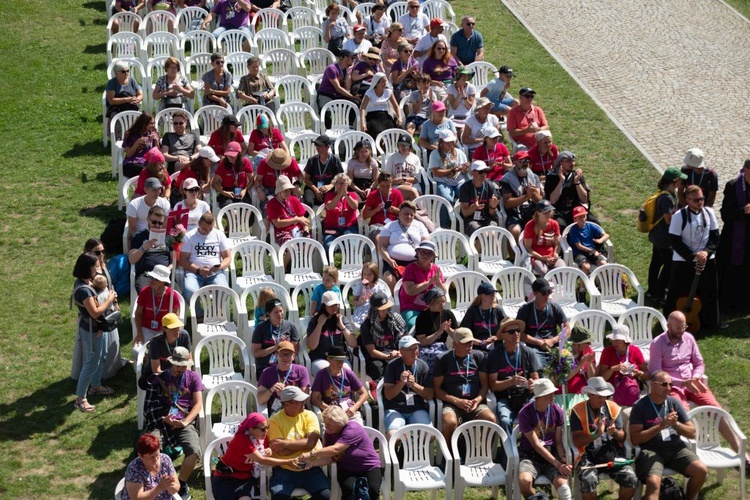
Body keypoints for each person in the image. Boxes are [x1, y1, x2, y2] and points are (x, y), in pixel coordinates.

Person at [649, 311, 750, 467]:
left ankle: (740, 452)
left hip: (692, 382)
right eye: (677, 327)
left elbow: (699, 363)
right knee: (684, 414)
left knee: (716, 409)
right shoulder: (657, 343)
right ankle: (693, 456)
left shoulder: (688, 338)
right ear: (668, 326)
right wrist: (681, 383)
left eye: (683, 326)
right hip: (672, 386)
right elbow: (655, 373)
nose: (681, 330)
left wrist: (695, 377)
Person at [628, 370, 707, 500]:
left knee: (701, 470)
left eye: (670, 385)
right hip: (651, 451)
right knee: (653, 483)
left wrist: (676, 425)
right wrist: (660, 426)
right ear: (652, 385)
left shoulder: (673, 402)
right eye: (664, 384)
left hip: (676, 449)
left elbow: (693, 433)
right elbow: (635, 439)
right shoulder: (640, 406)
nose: (669, 388)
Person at [144, 346, 203, 500]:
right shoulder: (159, 379)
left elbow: (198, 404)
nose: (180, 368)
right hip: (162, 422)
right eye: (178, 365)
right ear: (171, 363)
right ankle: (158, 483)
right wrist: (164, 419)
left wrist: (185, 422)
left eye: (183, 365)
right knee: (152, 450)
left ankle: (181, 482)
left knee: (194, 450)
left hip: (184, 421)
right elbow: (149, 408)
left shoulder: (193, 377)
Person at [570, 377, 638, 500]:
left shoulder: (613, 407)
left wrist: (615, 433)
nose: (603, 399)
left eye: (604, 396)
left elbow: (623, 437)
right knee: (588, 480)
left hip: (611, 453)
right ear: (590, 395)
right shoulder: (577, 410)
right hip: (588, 454)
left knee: (631, 479)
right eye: (599, 396)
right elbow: (577, 440)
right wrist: (596, 434)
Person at [664, 185, 721, 329]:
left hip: (706, 259)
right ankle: (673, 322)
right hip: (684, 261)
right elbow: (674, 240)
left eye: (702, 198)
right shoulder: (679, 216)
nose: (700, 202)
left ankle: (708, 322)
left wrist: (706, 252)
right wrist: (693, 255)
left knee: (708, 291)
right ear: (687, 200)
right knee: (679, 292)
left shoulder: (709, 213)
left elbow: (715, 237)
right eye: (696, 200)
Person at [296, 405, 382, 500]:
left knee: (373, 490)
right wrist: (312, 463)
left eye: (329, 424)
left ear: (339, 422)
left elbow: (335, 449)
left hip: (369, 467)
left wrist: (311, 454)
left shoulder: (352, 429)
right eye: (324, 423)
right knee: (349, 490)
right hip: (347, 469)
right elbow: (330, 456)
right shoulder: (329, 434)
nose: (325, 427)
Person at [71, 253, 119, 413]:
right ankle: (80, 399)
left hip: (98, 329)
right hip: (92, 331)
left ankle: (96, 386)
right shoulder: (84, 290)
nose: (98, 268)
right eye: (95, 266)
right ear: (88, 268)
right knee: (90, 364)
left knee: (101, 356)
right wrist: (110, 298)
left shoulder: (86, 282)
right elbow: (96, 312)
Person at [211, 412, 297, 500]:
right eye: (263, 429)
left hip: (246, 478)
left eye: (267, 427)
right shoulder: (241, 440)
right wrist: (288, 462)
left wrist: (270, 450)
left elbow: (270, 449)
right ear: (251, 430)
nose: (266, 431)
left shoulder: (262, 438)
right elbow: (262, 460)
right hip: (226, 477)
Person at [433, 328, 496, 443]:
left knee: (491, 419)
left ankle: (481, 452)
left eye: (471, 341)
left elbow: (484, 385)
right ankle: (449, 455)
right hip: (452, 404)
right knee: (449, 422)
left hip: (474, 403)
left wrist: (477, 400)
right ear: (455, 344)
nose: (470, 345)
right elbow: (437, 389)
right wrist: (457, 401)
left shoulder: (479, 357)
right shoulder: (442, 359)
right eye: (465, 342)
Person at [266, 386, 331, 500]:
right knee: (278, 497)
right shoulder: (273, 421)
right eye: (299, 401)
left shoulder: (310, 415)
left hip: (310, 467)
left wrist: (285, 444)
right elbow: (281, 452)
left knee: (324, 496)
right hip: (284, 469)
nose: (304, 403)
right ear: (287, 405)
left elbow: (311, 442)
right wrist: (304, 443)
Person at [516, 378, 573, 500]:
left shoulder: (557, 410)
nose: (553, 396)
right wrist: (558, 464)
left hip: (551, 454)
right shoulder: (525, 413)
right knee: (524, 482)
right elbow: (536, 445)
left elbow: (558, 441)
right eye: (549, 394)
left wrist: (563, 459)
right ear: (539, 396)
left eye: (553, 392)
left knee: (564, 488)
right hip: (530, 455)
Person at [486, 318, 538, 435]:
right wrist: (511, 382)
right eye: (511, 332)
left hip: (525, 396)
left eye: (518, 330)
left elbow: (535, 378)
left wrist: (532, 384)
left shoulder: (528, 352)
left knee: (536, 413)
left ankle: (530, 449)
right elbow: (493, 385)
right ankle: (508, 452)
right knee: (504, 420)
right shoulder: (494, 355)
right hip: (505, 398)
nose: (516, 334)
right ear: (503, 336)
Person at [382, 335, 433, 438]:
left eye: (416, 348)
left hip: (416, 409)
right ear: (402, 352)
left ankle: (414, 450)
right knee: (393, 436)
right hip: (395, 409)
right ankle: (399, 452)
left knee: (430, 435)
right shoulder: (392, 366)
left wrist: (414, 385)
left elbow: (430, 395)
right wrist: (401, 383)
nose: (415, 351)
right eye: (411, 349)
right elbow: (388, 395)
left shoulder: (423, 366)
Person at [178, 213, 231, 313]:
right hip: (194, 272)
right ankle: (199, 313)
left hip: (215, 272)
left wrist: (219, 267)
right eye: (204, 229)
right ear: (198, 224)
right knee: (190, 291)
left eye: (210, 229)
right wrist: (198, 270)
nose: (207, 232)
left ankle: (213, 312)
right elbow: (183, 260)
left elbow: (228, 257)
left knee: (223, 290)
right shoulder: (189, 236)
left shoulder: (219, 235)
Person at [647, 167, 684, 306]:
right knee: (668, 266)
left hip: (657, 236)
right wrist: (682, 217)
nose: (682, 182)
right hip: (664, 239)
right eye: (680, 180)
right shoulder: (667, 198)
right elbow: (669, 220)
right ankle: (659, 294)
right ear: (674, 181)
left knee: (656, 263)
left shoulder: (666, 193)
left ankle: (651, 290)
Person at [717, 159, 750, 311]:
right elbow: (725, 214)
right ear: (746, 170)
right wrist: (743, 210)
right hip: (734, 237)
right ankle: (730, 304)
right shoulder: (733, 186)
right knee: (733, 271)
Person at [377, 200, 430, 289]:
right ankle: (395, 301)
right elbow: (381, 246)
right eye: (406, 214)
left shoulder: (420, 225)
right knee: (390, 281)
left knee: (418, 281)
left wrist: (422, 259)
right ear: (399, 213)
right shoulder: (390, 226)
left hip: (415, 262)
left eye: (412, 215)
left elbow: (426, 244)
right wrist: (389, 260)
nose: (409, 216)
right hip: (393, 262)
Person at [516, 277, 568, 366]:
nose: (547, 295)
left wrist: (553, 340)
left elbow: (567, 329)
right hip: (533, 346)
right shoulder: (525, 310)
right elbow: (519, 334)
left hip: (553, 344)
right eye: (544, 293)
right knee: (538, 366)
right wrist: (539, 342)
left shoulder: (555, 307)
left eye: (549, 292)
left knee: (568, 363)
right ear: (535, 293)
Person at [311, 346, 369, 424]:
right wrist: (330, 409)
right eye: (337, 360)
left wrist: (355, 407)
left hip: (349, 410)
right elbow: (314, 399)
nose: (340, 363)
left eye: (342, 360)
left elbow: (364, 393)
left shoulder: (348, 374)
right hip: (331, 411)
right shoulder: (321, 375)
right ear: (329, 359)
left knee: (356, 430)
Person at [399, 240, 447, 331]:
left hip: (431, 307)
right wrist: (428, 283)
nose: (425, 255)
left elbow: (443, 292)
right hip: (411, 306)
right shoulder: (410, 269)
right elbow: (410, 291)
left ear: (433, 256)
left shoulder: (436, 269)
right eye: (423, 252)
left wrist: (438, 282)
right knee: (413, 324)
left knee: (441, 324)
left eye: (429, 253)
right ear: (418, 253)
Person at [133, 264, 181, 352]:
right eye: (151, 277)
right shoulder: (144, 292)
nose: (151, 281)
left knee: (163, 351)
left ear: (163, 281)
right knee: (137, 351)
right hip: (146, 328)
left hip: (163, 329)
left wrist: (168, 331)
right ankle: (147, 363)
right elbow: (138, 313)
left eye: (155, 279)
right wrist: (139, 333)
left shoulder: (172, 295)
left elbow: (175, 316)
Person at [598, 325, 649, 408]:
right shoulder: (607, 351)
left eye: (617, 340)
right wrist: (613, 369)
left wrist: (639, 373)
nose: (614, 343)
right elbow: (602, 378)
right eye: (613, 340)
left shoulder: (635, 351)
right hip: (611, 394)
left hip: (630, 393)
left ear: (625, 340)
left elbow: (647, 374)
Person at [306, 291, 357, 375]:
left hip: (340, 358)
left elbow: (353, 343)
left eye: (336, 304)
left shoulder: (342, 319)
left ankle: (344, 388)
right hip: (320, 358)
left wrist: (342, 326)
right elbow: (312, 346)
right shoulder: (315, 321)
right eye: (331, 305)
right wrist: (319, 325)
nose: (334, 307)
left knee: (345, 372)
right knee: (327, 372)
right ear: (324, 306)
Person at [359, 292, 406, 380]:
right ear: (375, 310)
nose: (386, 311)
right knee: (377, 368)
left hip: (396, 352)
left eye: (387, 308)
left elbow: (405, 338)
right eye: (382, 309)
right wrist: (388, 357)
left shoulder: (395, 319)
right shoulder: (367, 325)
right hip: (377, 355)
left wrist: (399, 352)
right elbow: (372, 351)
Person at [544, 151, 597, 230]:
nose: (572, 163)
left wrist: (577, 182)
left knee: (594, 223)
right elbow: (553, 200)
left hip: (575, 208)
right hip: (558, 210)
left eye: (573, 161)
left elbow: (584, 200)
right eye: (568, 161)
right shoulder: (551, 177)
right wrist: (561, 181)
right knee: (561, 226)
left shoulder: (577, 176)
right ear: (560, 163)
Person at [499, 150, 544, 241]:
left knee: (543, 225)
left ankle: (535, 253)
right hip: (514, 213)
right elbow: (507, 203)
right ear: (514, 162)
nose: (525, 163)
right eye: (522, 161)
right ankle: (515, 255)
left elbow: (540, 201)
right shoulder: (506, 179)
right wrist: (526, 197)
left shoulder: (534, 177)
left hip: (531, 211)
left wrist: (534, 194)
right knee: (515, 230)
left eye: (527, 161)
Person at [139, 313, 192, 389]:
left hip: (180, 368)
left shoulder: (184, 336)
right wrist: (171, 379)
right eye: (173, 328)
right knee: (144, 382)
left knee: (190, 380)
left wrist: (185, 374)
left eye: (178, 327)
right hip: (162, 371)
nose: (177, 330)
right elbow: (156, 370)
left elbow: (189, 359)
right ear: (164, 329)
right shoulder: (155, 342)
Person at [252, 298, 301, 379]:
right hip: (267, 365)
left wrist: (286, 345)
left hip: (287, 363)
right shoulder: (260, 328)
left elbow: (295, 351)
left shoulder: (291, 326)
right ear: (268, 313)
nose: (280, 314)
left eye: (281, 311)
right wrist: (276, 347)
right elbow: (256, 353)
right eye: (276, 312)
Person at [257, 341, 310, 416]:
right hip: (276, 413)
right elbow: (260, 399)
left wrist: (287, 393)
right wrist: (272, 390)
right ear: (276, 355)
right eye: (281, 354)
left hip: (296, 410)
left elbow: (304, 397)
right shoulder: (267, 372)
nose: (285, 358)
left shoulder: (302, 370)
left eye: (288, 355)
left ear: (294, 356)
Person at [429, 129, 469, 227]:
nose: (451, 145)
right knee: (446, 198)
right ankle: (444, 224)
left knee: (468, 195)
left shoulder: (459, 152)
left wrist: (464, 169)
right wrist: (452, 171)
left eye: (452, 142)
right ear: (441, 143)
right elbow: (436, 172)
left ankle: (466, 221)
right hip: (443, 182)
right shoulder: (435, 154)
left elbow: (465, 172)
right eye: (448, 142)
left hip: (459, 181)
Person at [122, 433, 179, 500]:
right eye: (151, 457)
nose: (156, 459)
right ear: (140, 456)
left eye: (157, 455)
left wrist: (170, 486)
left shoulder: (165, 460)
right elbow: (137, 498)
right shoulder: (134, 469)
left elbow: (177, 486)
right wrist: (160, 487)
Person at [128, 205, 172, 291]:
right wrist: (143, 248)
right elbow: (132, 260)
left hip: (164, 275)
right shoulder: (139, 237)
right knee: (148, 294)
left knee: (174, 296)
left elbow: (175, 261)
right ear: (148, 220)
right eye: (154, 222)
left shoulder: (168, 238)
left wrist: (168, 269)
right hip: (147, 275)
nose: (157, 225)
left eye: (160, 223)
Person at [413, 287, 457, 368]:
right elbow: (422, 342)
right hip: (426, 349)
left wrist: (448, 329)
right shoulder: (422, 317)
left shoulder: (448, 314)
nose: (442, 305)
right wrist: (438, 332)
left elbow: (457, 337)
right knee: (437, 359)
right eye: (438, 302)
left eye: (443, 301)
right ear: (431, 302)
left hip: (442, 347)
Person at [458, 160, 502, 237]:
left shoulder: (490, 186)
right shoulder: (465, 187)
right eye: (481, 172)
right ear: (472, 173)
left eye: (485, 171)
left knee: (493, 234)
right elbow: (465, 213)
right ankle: (481, 249)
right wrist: (474, 206)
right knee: (483, 235)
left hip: (488, 219)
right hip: (471, 220)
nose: (484, 174)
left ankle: (490, 249)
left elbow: (493, 213)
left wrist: (492, 207)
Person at [523, 199, 565, 276]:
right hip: (537, 257)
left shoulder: (554, 224)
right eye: (545, 213)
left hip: (551, 256)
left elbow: (557, 244)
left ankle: (561, 287)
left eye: (549, 212)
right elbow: (528, 248)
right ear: (538, 212)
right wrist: (542, 258)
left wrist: (555, 254)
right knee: (545, 272)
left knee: (563, 270)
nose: (548, 215)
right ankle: (549, 287)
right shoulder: (530, 226)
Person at [267, 175, 311, 246]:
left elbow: (302, 219)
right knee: (292, 248)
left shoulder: (294, 199)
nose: (288, 193)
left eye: (289, 190)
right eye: (285, 190)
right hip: (283, 232)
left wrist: (306, 229)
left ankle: (303, 257)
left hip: (298, 230)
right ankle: (287, 257)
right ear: (279, 191)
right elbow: (278, 224)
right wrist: (295, 219)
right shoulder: (271, 204)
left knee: (309, 245)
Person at [460, 281, 505, 350]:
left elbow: (507, 329)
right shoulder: (472, 311)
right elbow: (464, 333)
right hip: (477, 346)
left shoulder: (498, 310)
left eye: (494, 293)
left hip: (496, 346)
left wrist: (497, 337)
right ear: (482, 296)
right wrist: (481, 343)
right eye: (490, 293)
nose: (493, 295)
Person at [303, 134, 345, 207]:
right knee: (308, 201)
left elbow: (340, 178)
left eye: (320, 146)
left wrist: (331, 185)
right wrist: (315, 190)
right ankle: (304, 217)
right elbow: (306, 179)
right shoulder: (312, 160)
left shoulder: (335, 160)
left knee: (333, 202)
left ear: (327, 147)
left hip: (329, 189)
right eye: (316, 146)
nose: (317, 148)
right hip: (313, 188)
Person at [566, 206, 609, 275]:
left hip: (592, 252)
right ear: (575, 219)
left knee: (604, 265)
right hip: (579, 253)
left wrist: (601, 240)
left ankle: (603, 283)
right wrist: (592, 251)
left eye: (584, 216)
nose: (583, 219)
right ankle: (582, 285)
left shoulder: (590, 226)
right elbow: (579, 246)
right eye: (580, 217)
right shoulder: (573, 230)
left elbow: (606, 235)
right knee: (586, 267)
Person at [212, 141, 254, 207]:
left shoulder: (245, 162)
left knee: (247, 210)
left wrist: (245, 190)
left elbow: (252, 180)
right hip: (227, 192)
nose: (231, 157)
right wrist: (224, 193)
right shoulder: (222, 164)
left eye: (233, 155)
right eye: (229, 154)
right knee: (232, 211)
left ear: (239, 154)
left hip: (241, 191)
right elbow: (214, 183)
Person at [360, 72, 402, 139]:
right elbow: (363, 108)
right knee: (377, 131)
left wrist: (399, 117)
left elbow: (396, 106)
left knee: (394, 129)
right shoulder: (369, 93)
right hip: (373, 117)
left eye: (385, 81)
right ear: (377, 83)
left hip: (385, 116)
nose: (385, 83)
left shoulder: (388, 92)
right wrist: (363, 122)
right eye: (382, 82)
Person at [506, 87, 549, 151]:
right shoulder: (513, 112)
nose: (530, 99)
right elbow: (511, 133)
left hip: (540, 142)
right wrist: (526, 130)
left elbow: (546, 126)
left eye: (531, 96)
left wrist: (538, 129)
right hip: (522, 144)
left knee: (552, 150)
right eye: (527, 96)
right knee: (524, 155)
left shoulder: (538, 110)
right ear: (520, 98)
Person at [383, 134, 423, 201]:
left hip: (412, 184)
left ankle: (418, 210)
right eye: (401, 144)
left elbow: (416, 179)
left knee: (414, 191)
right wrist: (399, 182)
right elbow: (387, 177)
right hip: (397, 186)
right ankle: (421, 210)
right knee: (412, 192)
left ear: (410, 146)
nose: (403, 147)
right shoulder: (392, 157)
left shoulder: (415, 158)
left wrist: (403, 179)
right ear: (398, 145)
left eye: (406, 145)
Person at [121, 113, 161, 178]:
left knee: (159, 171)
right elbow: (129, 154)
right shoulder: (131, 135)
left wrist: (156, 141)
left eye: (154, 123)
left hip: (147, 163)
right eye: (150, 123)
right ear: (143, 124)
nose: (153, 125)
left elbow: (158, 154)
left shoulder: (154, 134)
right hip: (131, 164)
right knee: (147, 172)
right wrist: (137, 143)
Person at [351, 263, 388, 329]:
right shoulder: (360, 286)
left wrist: (374, 299)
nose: (366, 277)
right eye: (364, 274)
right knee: (366, 320)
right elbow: (353, 301)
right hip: (363, 309)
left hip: (376, 310)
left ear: (375, 275)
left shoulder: (379, 287)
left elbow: (384, 302)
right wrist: (361, 301)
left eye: (369, 274)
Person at [566, 325, 598, 396]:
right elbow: (564, 378)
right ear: (578, 343)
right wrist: (580, 365)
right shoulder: (565, 353)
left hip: (585, 391)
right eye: (587, 342)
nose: (589, 344)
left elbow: (592, 379)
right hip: (568, 393)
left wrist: (589, 364)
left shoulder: (588, 351)